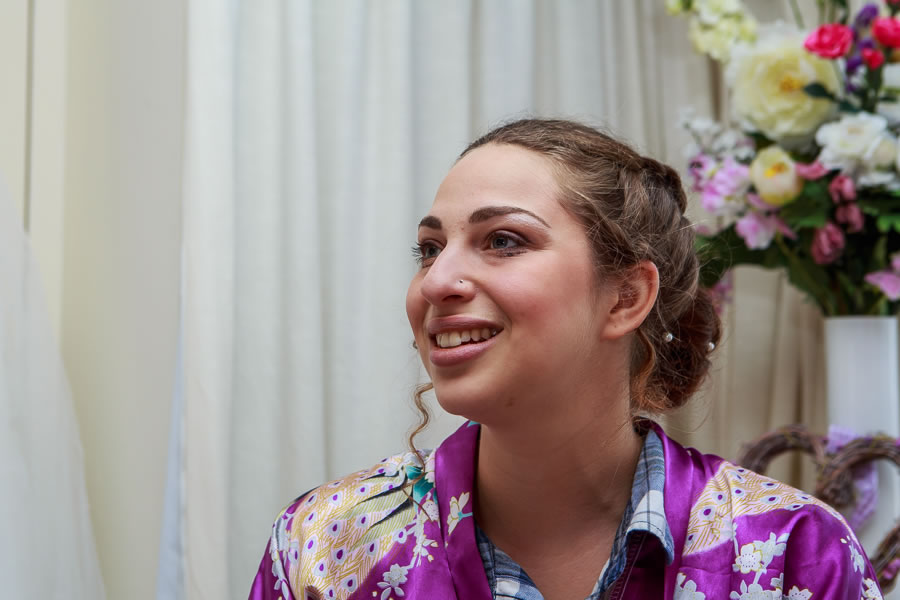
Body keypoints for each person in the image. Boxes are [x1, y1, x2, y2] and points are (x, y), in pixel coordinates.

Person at [249, 119, 882, 600]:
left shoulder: (795, 556)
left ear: (625, 297)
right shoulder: (327, 546)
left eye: (503, 240)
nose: (436, 282)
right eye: (429, 249)